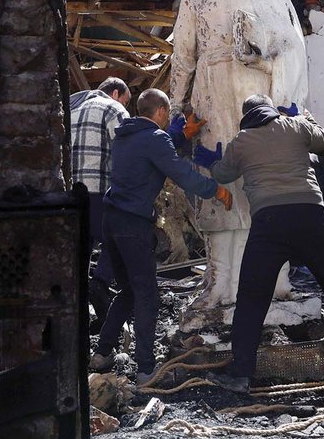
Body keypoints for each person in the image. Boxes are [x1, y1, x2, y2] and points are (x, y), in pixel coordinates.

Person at [170, 0, 309, 318]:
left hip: (257, 95)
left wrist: (263, 60)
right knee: (218, 182)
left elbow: (293, 48)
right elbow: (183, 56)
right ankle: (220, 283)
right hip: (212, 97)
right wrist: (178, 108)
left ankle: (276, 282)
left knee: (263, 183)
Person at [195, 94, 324, 392]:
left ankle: (241, 375)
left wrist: (212, 160)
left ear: (246, 115)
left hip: (269, 222)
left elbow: (223, 173)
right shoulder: (296, 127)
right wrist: (304, 121)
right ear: (273, 110)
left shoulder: (241, 142)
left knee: (252, 299)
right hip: (310, 216)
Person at [90, 88, 234, 384]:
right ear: (161, 113)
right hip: (132, 225)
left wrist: (182, 136)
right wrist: (215, 189)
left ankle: (102, 353)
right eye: (168, 114)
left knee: (129, 291)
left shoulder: (125, 135)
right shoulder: (154, 139)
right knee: (147, 296)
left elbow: (156, 150)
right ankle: (145, 370)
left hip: (111, 221)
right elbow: (179, 170)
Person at [69, 77, 132, 322]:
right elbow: (127, 151)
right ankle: (101, 282)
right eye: (126, 100)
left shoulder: (71, 108)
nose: (126, 104)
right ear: (115, 93)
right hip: (99, 190)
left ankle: (79, 308)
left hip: (72, 193)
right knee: (116, 240)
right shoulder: (114, 109)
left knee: (79, 252)